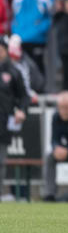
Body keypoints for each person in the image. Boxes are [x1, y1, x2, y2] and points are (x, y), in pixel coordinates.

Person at [0, 36, 28, 201]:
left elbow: (24, 96)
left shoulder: (14, 72)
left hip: (3, 123)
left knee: (0, 161)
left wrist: (21, 110)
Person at [11, 0, 54, 75]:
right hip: (21, 38)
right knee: (21, 66)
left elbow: (50, 16)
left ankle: (40, 89)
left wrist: (40, 29)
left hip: (37, 39)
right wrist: (16, 31)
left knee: (37, 65)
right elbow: (15, 16)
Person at [8, 34, 45, 100]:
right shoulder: (5, 64)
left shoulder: (28, 63)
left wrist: (31, 91)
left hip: (26, 95)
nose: (13, 59)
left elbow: (38, 81)